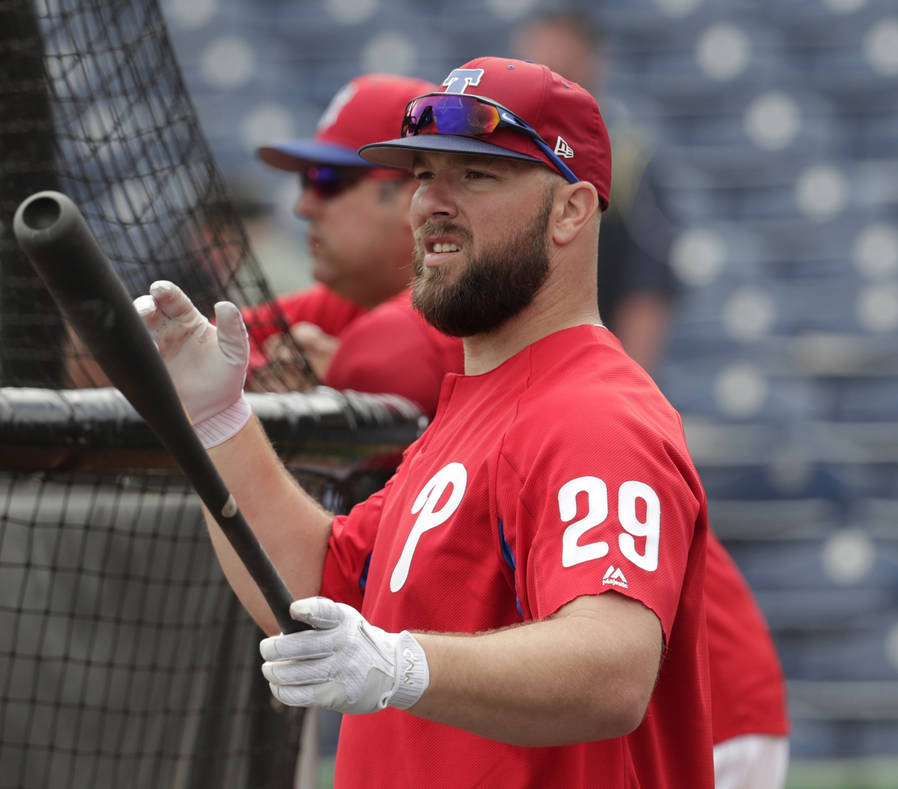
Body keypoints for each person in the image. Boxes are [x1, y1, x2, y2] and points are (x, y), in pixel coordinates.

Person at [136, 56, 715, 786]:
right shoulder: (475, 408)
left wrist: (403, 664)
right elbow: (320, 584)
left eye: (476, 175)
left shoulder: (594, 412)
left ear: (570, 210)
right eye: (420, 175)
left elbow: (613, 667)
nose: (431, 203)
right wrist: (217, 421)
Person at [516, 10, 791, 786]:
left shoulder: (623, 162)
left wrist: (619, 382)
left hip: (589, 382)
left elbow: (649, 284)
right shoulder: (510, 164)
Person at [244, 73, 463, 416]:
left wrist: (330, 382)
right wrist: (283, 374)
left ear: (415, 198)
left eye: (328, 180)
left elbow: (379, 360)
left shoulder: (466, 304)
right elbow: (202, 342)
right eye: (306, 179)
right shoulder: (355, 295)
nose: (303, 207)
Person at [514, 8, 680, 374]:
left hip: (587, 369)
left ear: (595, 62)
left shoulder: (627, 164)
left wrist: (625, 385)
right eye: (540, 66)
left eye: (565, 70)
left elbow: (646, 291)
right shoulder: (490, 154)